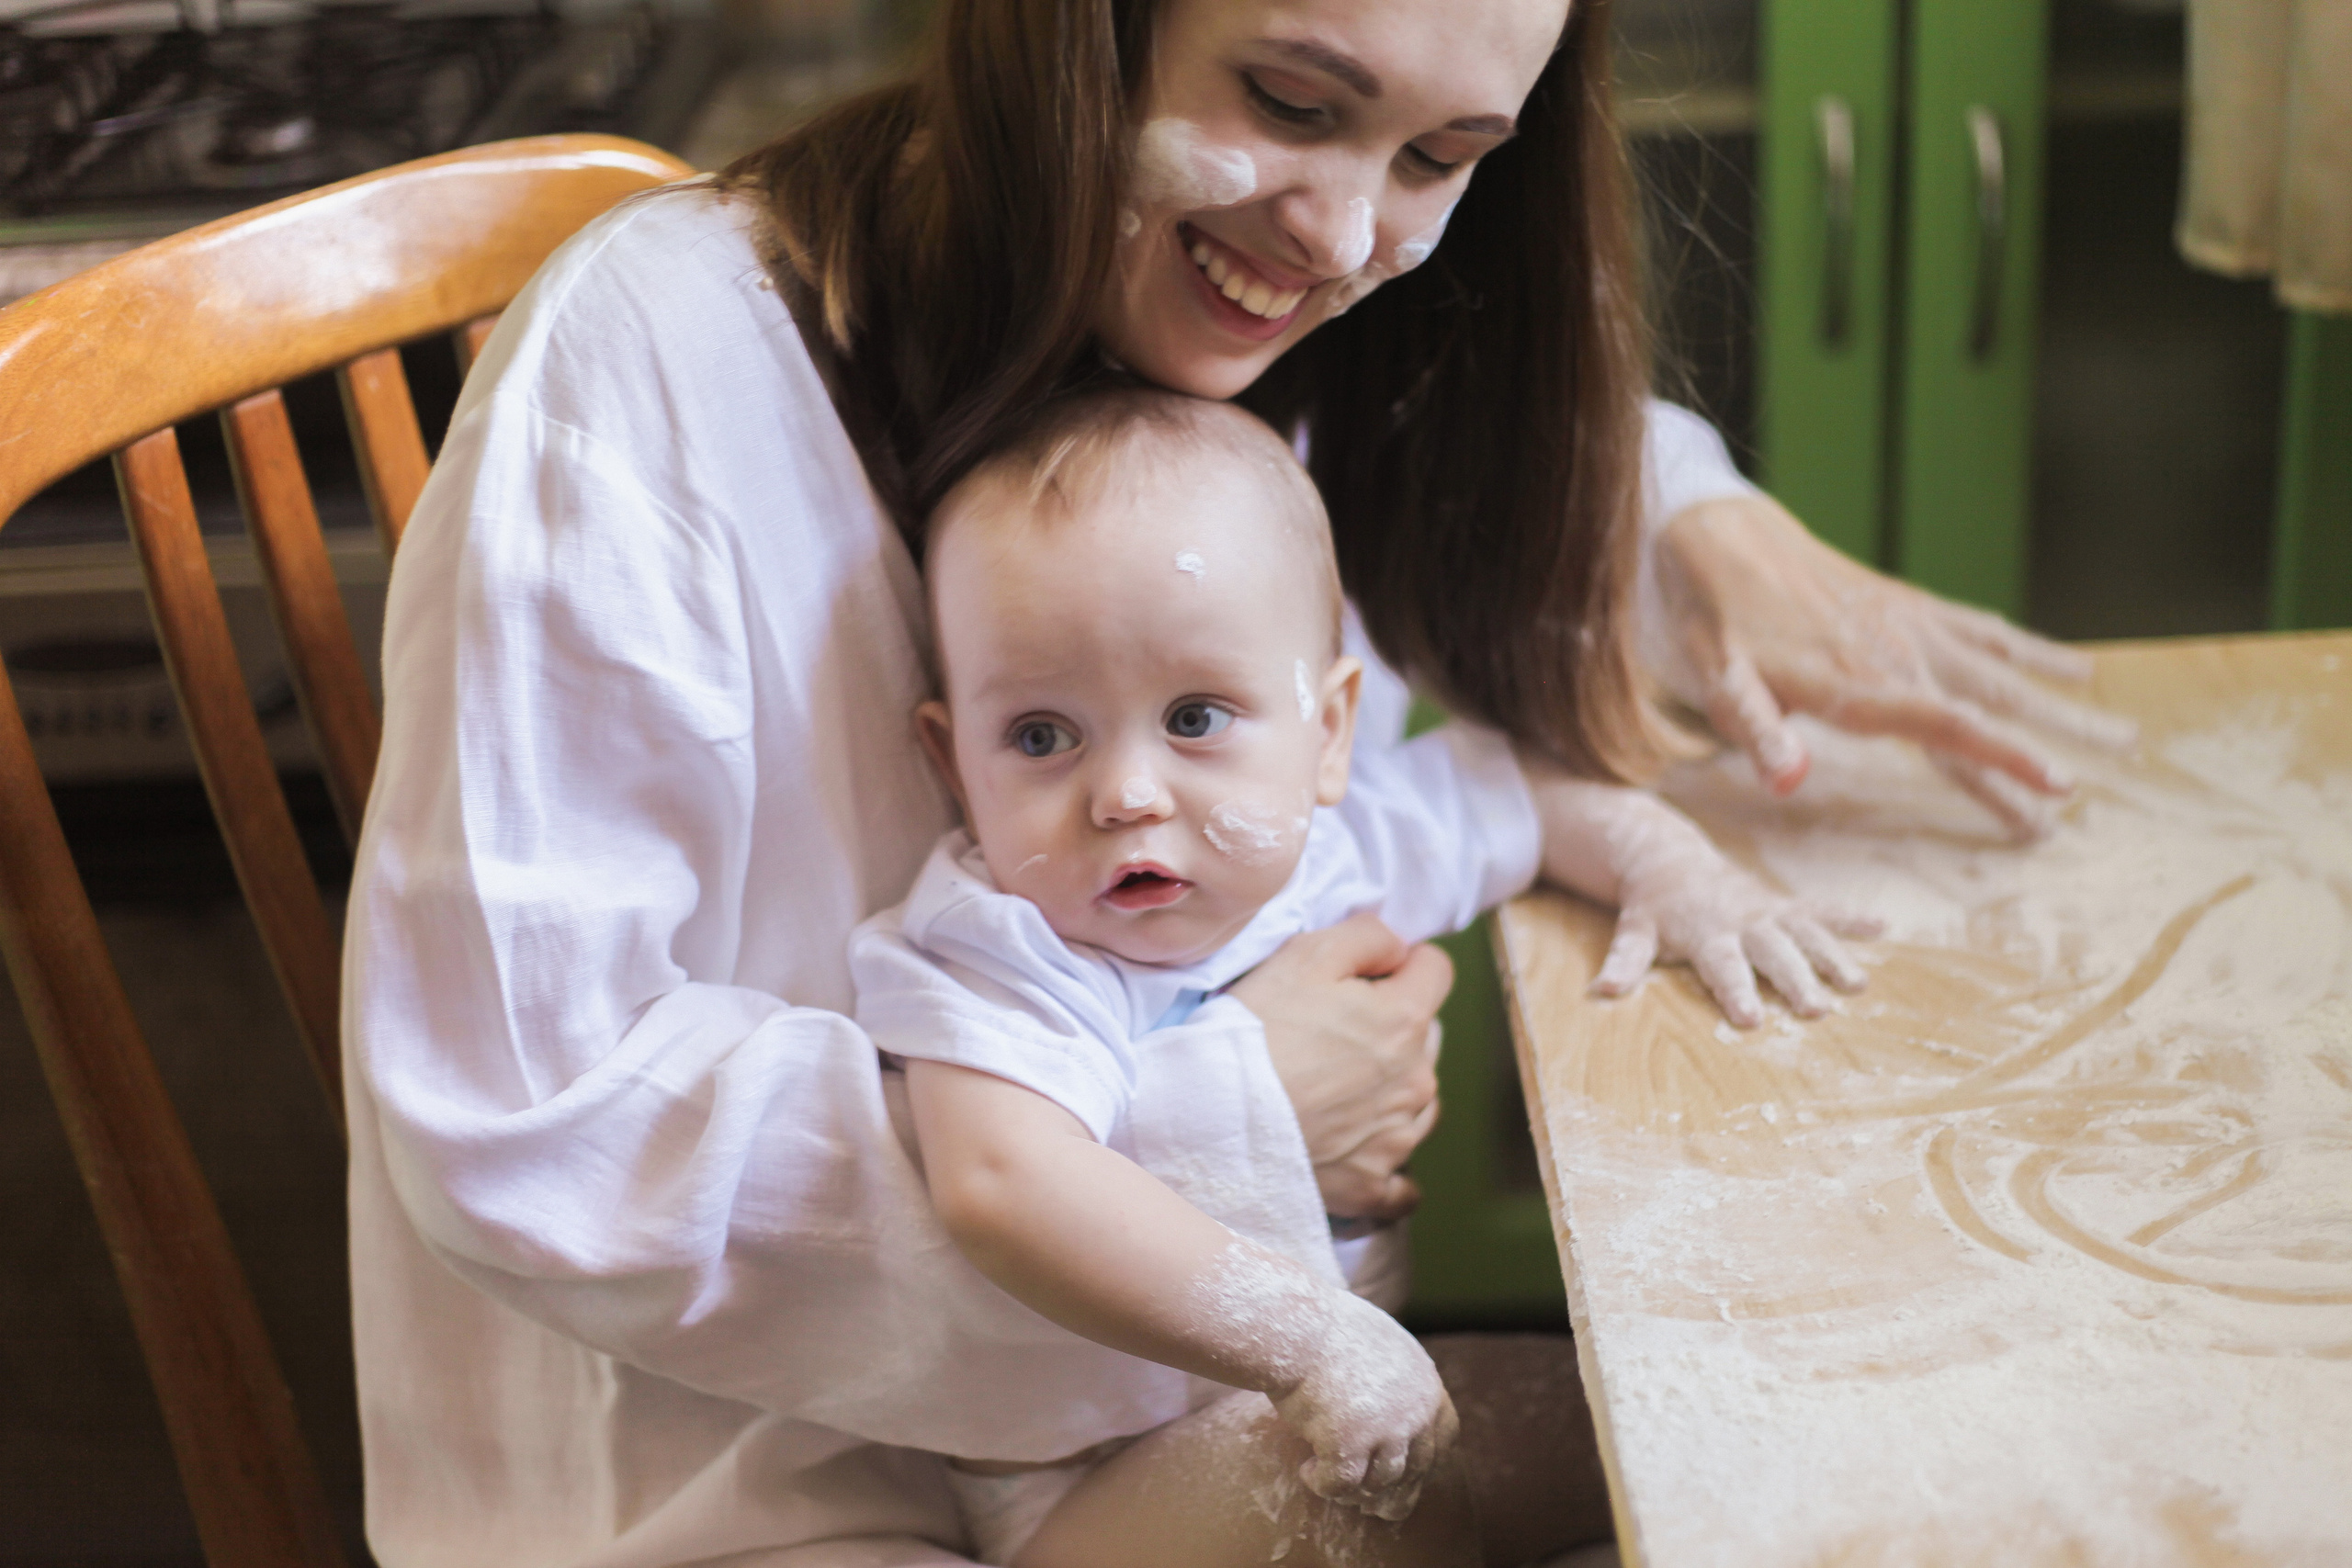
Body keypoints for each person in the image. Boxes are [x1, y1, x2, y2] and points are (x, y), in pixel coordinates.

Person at [344, 0, 2126, 1563]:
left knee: (1747, 1436)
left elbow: (1462, 495)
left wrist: (1684, 506)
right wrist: (1227, 1105)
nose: (1345, 232)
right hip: (736, 1495)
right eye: (1284, 99)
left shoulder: (1199, 326)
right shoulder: (645, 372)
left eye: (1440, 154)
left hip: (1179, 1419)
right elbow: (523, 1120)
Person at [855, 386, 1872, 1566]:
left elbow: (1533, 803)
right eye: (1039, 736)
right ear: (950, 758)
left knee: (1653, 1428)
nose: (1125, 793)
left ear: (1327, 731)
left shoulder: (1330, 844)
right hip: (1093, 1497)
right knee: (1382, 1507)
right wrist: (1304, 1343)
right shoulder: (1001, 946)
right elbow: (999, 1180)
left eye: (1193, 718)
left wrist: (1682, 878)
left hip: (1339, 1409)